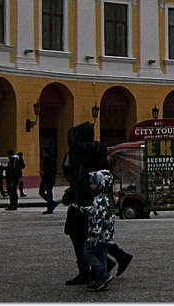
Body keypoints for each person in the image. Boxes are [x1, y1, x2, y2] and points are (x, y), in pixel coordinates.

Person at [62, 122, 132, 286]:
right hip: (99, 197)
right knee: (95, 234)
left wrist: (72, 196)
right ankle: (114, 259)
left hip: (82, 198)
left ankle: (90, 271)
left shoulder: (76, 152)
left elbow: (76, 177)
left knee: (76, 234)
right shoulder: (100, 151)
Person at [74, 170, 117, 292]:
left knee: (87, 253)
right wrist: (82, 209)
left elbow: (98, 218)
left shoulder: (99, 200)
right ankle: (101, 282)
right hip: (106, 235)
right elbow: (94, 210)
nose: (91, 185)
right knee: (101, 255)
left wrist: (93, 235)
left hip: (98, 234)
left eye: (93, 183)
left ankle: (103, 275)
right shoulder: (107, 198)